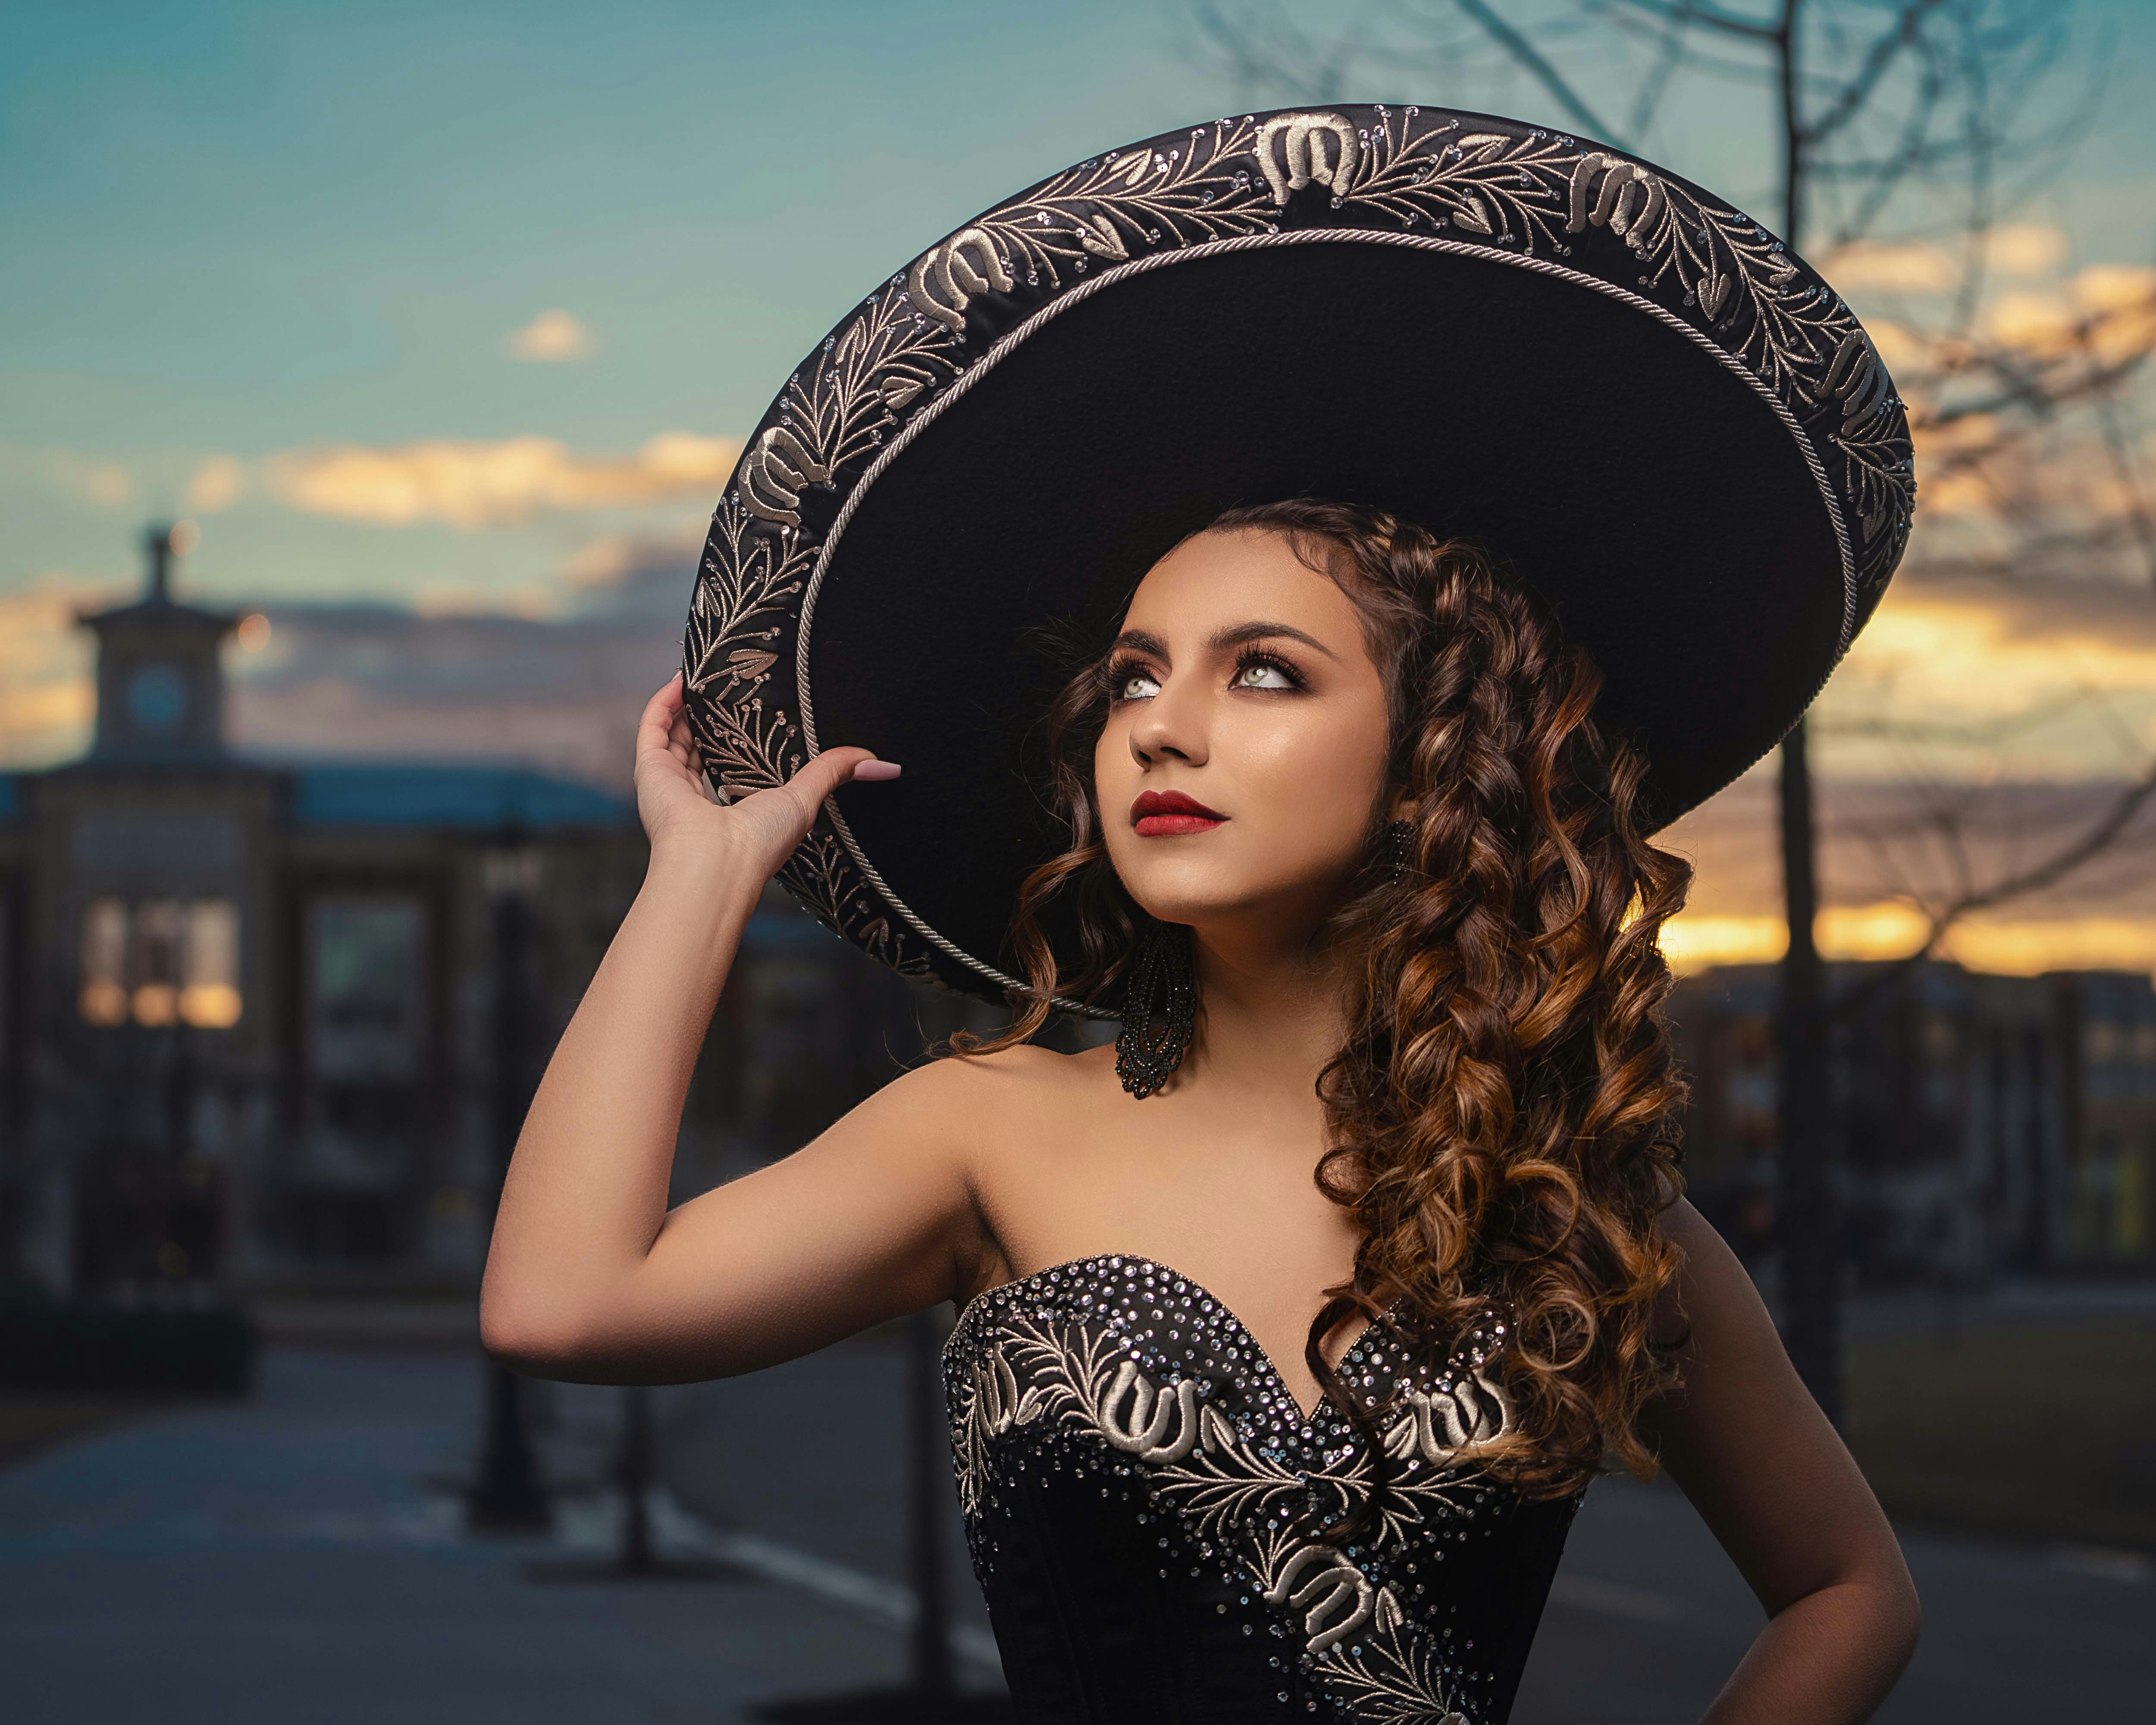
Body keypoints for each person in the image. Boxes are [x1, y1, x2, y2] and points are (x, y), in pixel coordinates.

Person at [482, 107, 1921, 1724]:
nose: (1162, 727)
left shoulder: (1577, 1202)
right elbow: (560, 1300)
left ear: (1440, 751)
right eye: (1132, 678)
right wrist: (701, 873)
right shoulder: (983, 1133)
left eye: (1265, 671)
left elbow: (1850, 1590)